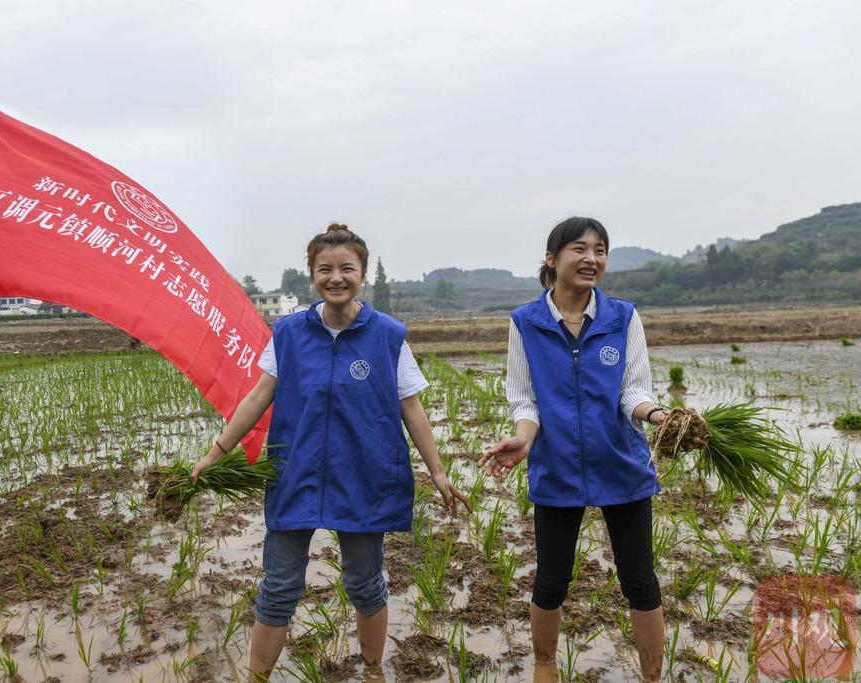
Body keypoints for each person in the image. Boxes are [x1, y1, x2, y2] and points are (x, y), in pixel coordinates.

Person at [192, 223, 470, 680]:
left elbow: (411, 406)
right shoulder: (289, 334)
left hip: (362, 476)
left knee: (365, 583)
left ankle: (373, 670)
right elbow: (259, 396)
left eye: (347, 268)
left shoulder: (387, 335)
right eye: (325, 269)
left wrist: (437, 472)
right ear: (312, 275)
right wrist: (216, 452)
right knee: (279, 586)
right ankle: (257, 676)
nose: (336, 277)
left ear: (362, 273)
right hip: (295, 473)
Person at [479, 217, 669, 682]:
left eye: (600, 250)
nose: (591, 259)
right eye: (579, 249)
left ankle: (652, 675)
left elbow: (633, 392)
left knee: (640, 581)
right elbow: (525, 398)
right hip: (558, 466)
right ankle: (544, 667)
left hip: (620, 463)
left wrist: (660, 417)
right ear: (552, 258)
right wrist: (524, 439)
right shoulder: (525, 322)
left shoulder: (623, 316)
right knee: (551, 580)